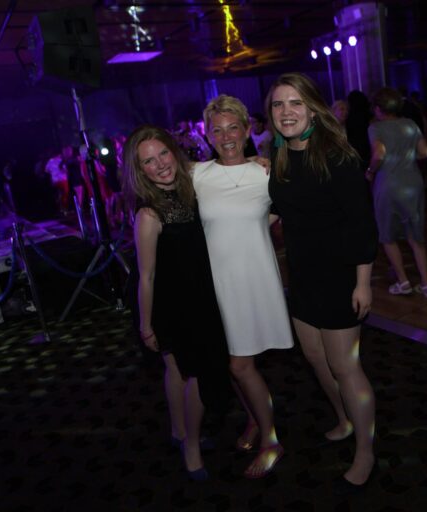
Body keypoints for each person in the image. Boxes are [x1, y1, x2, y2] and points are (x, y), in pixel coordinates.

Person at [266, 73, 378, 493]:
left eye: (296, 103)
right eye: (278, 104)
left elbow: (363, 225)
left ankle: (365, 450)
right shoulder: (279, 156)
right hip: (302, 277)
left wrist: (363, 283)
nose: (286, 112)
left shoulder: (338, 157)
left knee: (345, 366)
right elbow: (281, 208)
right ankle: (345, 419)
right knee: (316, 359)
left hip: (339, 277)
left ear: (313, 109)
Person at [121, 125, 232, 481]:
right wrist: (145, 326)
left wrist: (258, 161)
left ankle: (178, 430)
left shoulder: (191, 187)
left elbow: (224, 165)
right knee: (193, 372)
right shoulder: (149, 214)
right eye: (148, 161)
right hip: (169, 303)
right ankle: (192, 446)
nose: (160, 165)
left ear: (174, 151)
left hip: (200, 293)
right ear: (140, 171)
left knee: (177, 369)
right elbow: (146, 277)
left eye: (163, 154)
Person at [192, 94, 294, 479]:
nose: (226, 136)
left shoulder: (266, 174)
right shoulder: (197, 175)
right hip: (216, 285)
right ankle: (254, 419)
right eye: (217, 130)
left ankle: (271, 439)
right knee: (231, 362)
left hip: (254, 280)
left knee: (240, 363)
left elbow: (286, 210)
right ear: (207, 135)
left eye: (233, 128)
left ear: (247, 130)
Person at [367, 87, 427, 298]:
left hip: (389, 183)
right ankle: (426, 285)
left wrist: (370, 171)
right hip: (413, 183)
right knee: (416, 236)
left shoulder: (376, 128)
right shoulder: (410, 124)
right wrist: (407, 156)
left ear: (378, 109)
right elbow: (425, 152)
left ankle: (403, 282)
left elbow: (379, 154)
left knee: (387, 236)